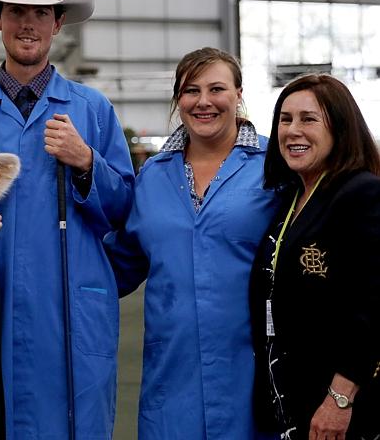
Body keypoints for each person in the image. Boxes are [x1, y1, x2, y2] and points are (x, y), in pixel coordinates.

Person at [0, 0, 135, 439]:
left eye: (41, 12)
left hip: (74, 318)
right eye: (16, 12)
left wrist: (88, 162)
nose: (29, 24)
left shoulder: (94, 112)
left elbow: (127, 209)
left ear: (58, 22)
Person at [104, 47, 280, 439]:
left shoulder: (273, 166)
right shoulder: (152, 175)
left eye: (216, 89)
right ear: (177, 100)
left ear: (238, 94)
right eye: (190, 91)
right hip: (173, 375)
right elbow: (123, 261)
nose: (203, 102)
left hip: (252, 370)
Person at [250, 74, 380, 440]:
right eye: (285, 119)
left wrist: (340, 398)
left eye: (309, 119)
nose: (293, 131)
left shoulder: (361, 193)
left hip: (341, 407)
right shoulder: (292, 199)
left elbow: (372, 308)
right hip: (293, 399)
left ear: (340, 128)